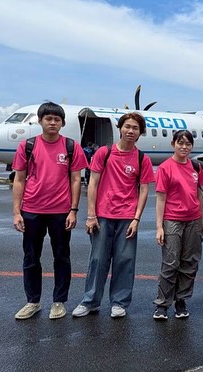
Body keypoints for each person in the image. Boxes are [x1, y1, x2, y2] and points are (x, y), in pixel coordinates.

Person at [72, 113, 154, 319]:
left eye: (135, 128)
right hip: (102, 216)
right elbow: (93, 183)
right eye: (127, 126)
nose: (130, 131)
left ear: (140, 132)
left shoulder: (142, 159)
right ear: (120, 128)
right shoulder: (104, 153)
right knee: (98, 259)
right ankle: (90, 301)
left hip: (127, 217)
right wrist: (91, 215)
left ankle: (119, 302)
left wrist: (136, 219)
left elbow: (144, 190)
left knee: (125, 260)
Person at [11, 102, 88, 320]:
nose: (52, 122)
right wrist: (17, 212)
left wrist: (73, 210)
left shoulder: (71, 146)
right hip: (31, 210)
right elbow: (19, 179)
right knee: (31, 257)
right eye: (48, 119)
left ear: (62, 123)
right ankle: (32, 301)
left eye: (57, 119)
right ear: (40, 121)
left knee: (62, 256)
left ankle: (59, 301)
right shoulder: (27, 146)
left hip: (61, 211)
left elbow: (76, 179)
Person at [152, 130, 203, 320]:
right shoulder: (165, 168)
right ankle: (162, 304)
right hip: (172, 220)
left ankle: (181, 300)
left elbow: (199, 195)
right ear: (173, 144)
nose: (184, 147)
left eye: (188, 144)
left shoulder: (196, 167)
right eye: (180, 143)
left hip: (193, 220)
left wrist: (201, 221)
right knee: (170, 262)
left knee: (190, 262)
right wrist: (159, 227)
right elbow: (160, 198)